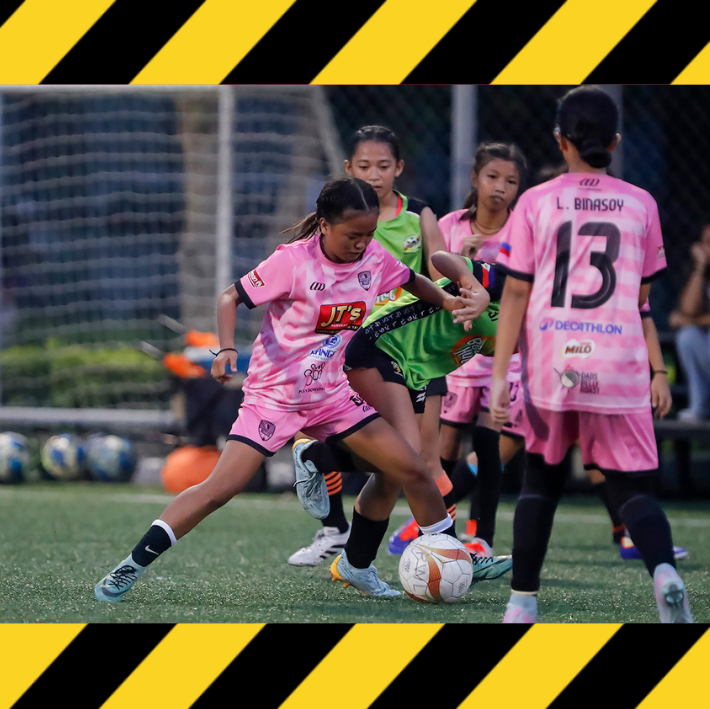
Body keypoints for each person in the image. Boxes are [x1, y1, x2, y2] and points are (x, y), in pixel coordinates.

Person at [94, 176, 463, 602]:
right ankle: (131, 565)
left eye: (369, 234)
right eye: (352, 235)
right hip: (274, 400)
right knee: (219, 490)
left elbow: (412, 279)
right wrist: (226, 349)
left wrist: (448, 302)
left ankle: (429, 560)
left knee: (410, 469)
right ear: (324, 225)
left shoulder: (373, 258)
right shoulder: (292, 262)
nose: (362, 244)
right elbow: (229, 297)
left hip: (332, 397)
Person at [490, 86, 693, 623]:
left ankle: (522, 603)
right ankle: (664, 573)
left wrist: (500, 375)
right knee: (631, 488)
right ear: (615, 143)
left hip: (553, 364)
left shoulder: (536, 201)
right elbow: (642, 295)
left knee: (541, 481)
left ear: (560, 141)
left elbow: (515, 292)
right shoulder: (641, 203)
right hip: (617, 363)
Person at [293, 249, 514, 589]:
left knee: (392, 471)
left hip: (416, 371)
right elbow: (441, 258)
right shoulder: (506, 282)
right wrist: (474, 287)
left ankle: (355, 563)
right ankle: (314, 456)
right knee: (408, 457)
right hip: (382, 345)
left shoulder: (536, 326)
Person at [287, 125, 451, 567]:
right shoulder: (339, 221)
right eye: (364, 166)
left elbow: (437, 277)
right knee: (386, 450)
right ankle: (337, 530)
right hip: (358, 347)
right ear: (348, 168)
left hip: (413, 348)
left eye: (383, 165)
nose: (374, 174)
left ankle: (429, 550)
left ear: (399, 168)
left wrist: (457, 291)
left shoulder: (418, 216)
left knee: (415, 457)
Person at [668, 223, 710, 421]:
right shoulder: (699, 274)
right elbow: (688, 309)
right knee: (687, 337)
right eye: (706, 243)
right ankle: (699, 407)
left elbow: (684, 317)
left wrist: (690, 320)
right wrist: (700, 268)